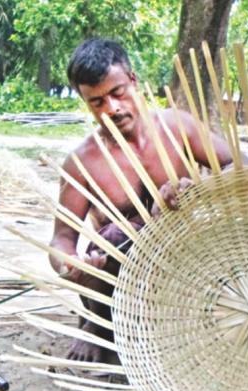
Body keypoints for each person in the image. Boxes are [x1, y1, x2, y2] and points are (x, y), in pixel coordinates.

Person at [49, 38, 237, 363]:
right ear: (85, 102)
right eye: (97, 102)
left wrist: (200, 188)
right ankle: (98, 325)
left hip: (188, 253)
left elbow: (242, 167)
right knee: (109, 241)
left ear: (133, 81)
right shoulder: (83, 163)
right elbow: (62, 238)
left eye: (117, 93)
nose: (112, 108)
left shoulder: (179, 127)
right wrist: (69, 265)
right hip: (123, 274)